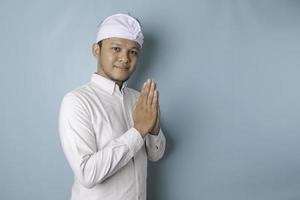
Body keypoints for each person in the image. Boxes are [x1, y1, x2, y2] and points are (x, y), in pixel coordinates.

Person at [58, 13, 166, 200]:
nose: (125, 58)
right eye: (116, 48)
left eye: (133, 52)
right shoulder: (77, 101)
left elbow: (155, 155)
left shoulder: (138, 99)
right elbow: (87, 174)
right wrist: (138, 130)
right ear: (96, 50)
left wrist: (154, 128)